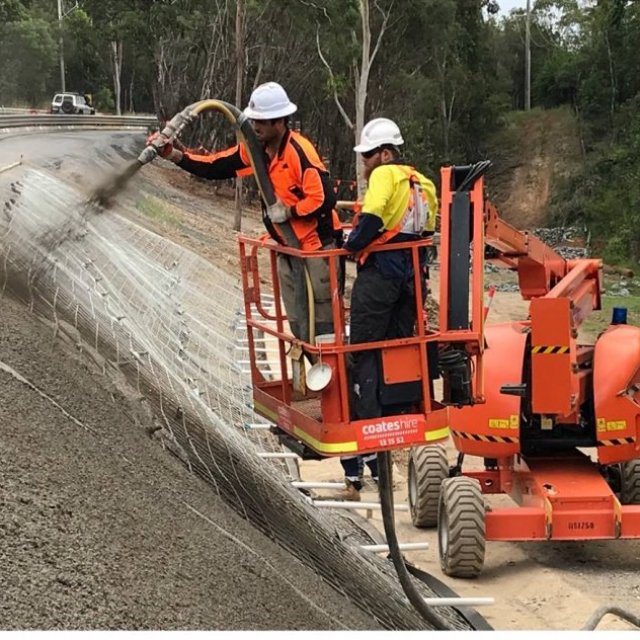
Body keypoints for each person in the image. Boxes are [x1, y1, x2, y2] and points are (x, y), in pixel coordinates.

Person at [148, 81, 339, 342]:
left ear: (279, 121)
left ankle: (335, 377)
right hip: (288, 250)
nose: (255, 126)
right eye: (253, 120)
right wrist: (174, 155)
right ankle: (310, 375)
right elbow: (217, 166)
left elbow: (325, 198)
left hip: (318, 250)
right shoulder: (257, 150)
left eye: (261, 121)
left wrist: (290, 212)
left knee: (323, 328)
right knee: (299, 326)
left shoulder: (298, 152)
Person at [334, 117, 438, 502]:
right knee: (395, 354)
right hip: (412, 280)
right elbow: (426, 229)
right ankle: (383, 455)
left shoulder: (385, 176)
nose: (364, 165)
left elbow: (373, 218)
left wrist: (348, 245)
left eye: (367, 157)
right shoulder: (423, 182)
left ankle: (360, 462)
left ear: (384, 153)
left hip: (380, 279)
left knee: (361, 355)